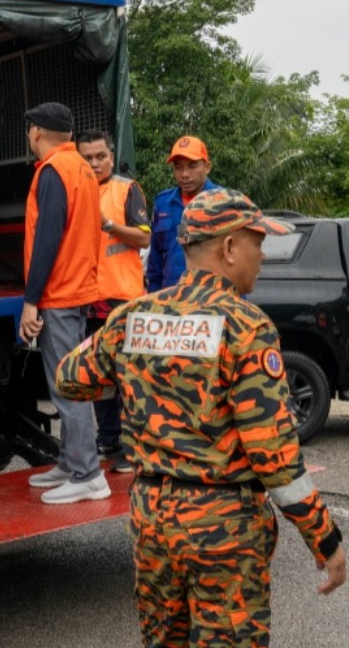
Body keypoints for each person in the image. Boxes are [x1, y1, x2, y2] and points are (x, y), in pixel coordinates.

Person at [57, 190, 347, 648]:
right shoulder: (246, 327)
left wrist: (140, 372)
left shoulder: (136, 315)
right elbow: (275, 459)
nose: (263, 257)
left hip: (151, 518)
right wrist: (326, 540)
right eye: (259, 244)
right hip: (223, 530)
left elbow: (70, 377)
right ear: (230, 246)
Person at [19, 102, 108, 504]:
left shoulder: (54, 171)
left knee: (66, 386)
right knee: (69, 380)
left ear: (36, 132)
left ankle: (88, 473)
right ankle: (73, 463)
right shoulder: (82, 170)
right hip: (77, 289)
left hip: (59, 292)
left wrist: (31, 300)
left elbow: (47, 240)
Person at [78, 129, 150, 471]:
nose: (94, 163)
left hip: (123, 300)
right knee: (100, 378)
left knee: (128, 378)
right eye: (87, 158)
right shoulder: (77, 191)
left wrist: (109, 225)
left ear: (111, 155)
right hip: (89, 300)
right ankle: (109, 441)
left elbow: (142, 238)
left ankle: (131, 448)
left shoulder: (127, 189)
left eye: (100, 156)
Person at [144, 136, 221, 292]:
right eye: (178, 167)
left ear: (207, 167)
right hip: (170, 301)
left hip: (209, 301)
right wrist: (154, 300)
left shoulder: (223, 202)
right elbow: (155, 264)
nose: (184, 174)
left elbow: (238, 264)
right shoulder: (163, 203)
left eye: (192, 166)